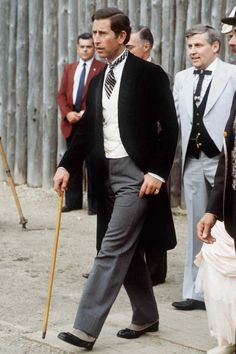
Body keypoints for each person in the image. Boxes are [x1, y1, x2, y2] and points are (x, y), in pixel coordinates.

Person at [53, 7, 178, 350]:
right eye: (93, 33)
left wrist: (156, 172)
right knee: (129, 249)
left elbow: (170, 129)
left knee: (109, 251)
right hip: (103, 175)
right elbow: (85, 134)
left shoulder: (150, 75)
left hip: (135, 177)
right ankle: (146, 315)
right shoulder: (96, 81)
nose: (96, 40)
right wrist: (66, 165)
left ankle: (85, 328)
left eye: (102, 33)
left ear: (122, 37)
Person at [172, 24, 236, 311]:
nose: (193, 51)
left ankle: (227, 288)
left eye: (198, 45)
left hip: (225, 162)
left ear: (215, 47)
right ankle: (196, 292)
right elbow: (177, 119)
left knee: (229, 223)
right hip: (194, 161)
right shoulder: (182, 78)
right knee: (198, 224)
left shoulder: (233, 75)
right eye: (190, 47)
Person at [196, 12, 236, 354]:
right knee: (217, 266)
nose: (233, 41)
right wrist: (212, 209)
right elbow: (229, 148)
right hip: (232, 205)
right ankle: (230, 339)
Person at [126, 26, 168, 285]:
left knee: (155, 211)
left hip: (154, 154)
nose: (127, 52)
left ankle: (155, 269)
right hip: (130, 153)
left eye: (130, 47)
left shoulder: (158, 75)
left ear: (146, 47)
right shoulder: (126, 73)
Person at [57, 32, 105, 214]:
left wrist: (86, 112)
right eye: (82, 46)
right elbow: (61, 94)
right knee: (72, 162)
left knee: (93, 163)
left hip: (90, 122)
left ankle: (94, 204)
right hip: (71, 123)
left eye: (89, 46)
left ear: (94, 48)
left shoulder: (101, 68)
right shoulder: (70, 68)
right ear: (77, 48)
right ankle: (73, 201)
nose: (85, 50)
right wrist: (68, 113)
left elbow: (100, 94)